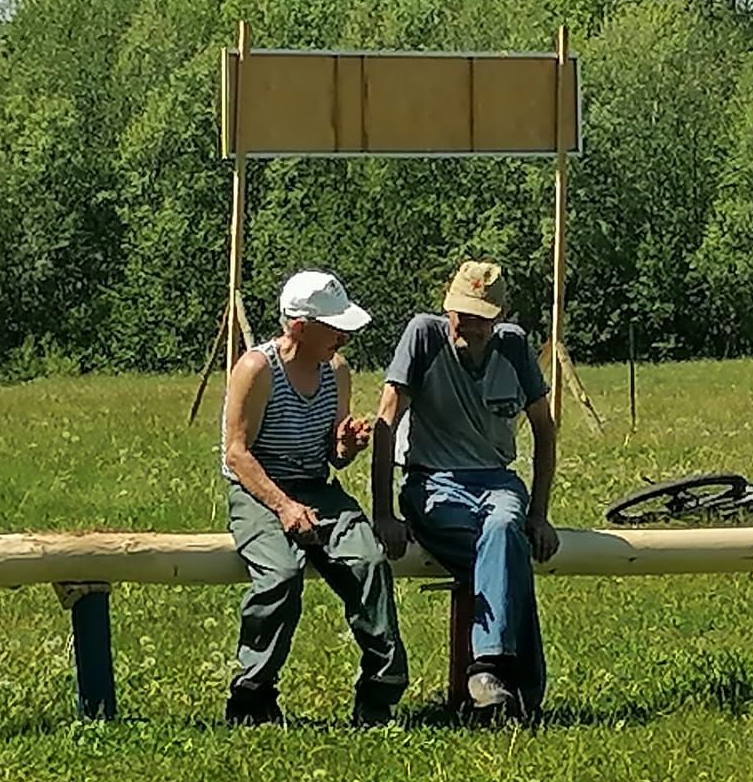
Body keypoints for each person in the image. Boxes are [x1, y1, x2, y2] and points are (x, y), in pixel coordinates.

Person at [371, 260, 558, 718]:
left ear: (500, 317)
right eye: (461, 314)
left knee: (504, 526)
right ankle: (515, 682)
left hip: (496, 482)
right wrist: (383, 514)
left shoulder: (514, 347)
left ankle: (487, 671)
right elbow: (385, 422)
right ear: (446, 305)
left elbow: (545, 430)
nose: (468, 327)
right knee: (504, 546)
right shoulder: (423, 335)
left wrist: (538, 514)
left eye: (480, 318)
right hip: (432, 481)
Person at [221, 270, 408, 727]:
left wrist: (345, 444)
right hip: (259, 490)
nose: (343, 337)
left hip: (316, 488)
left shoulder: (336, 371)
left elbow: (333, 456)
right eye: (334, 327)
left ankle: (379, 695)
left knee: (369, 563)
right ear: (300, 327)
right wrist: (283, 507)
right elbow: (236, 453)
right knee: (281, 576)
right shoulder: (257, 368)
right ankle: (252, 698)